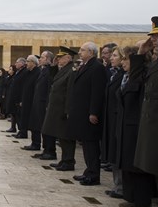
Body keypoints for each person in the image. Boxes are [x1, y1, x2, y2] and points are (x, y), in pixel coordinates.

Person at [115, 45, 154, 207]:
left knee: (137, 167)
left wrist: (139, 54)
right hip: (127, 125)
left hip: (136, 126)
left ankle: (142, 202)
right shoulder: (127, 77)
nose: (123, 62)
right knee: (127, 164)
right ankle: (130, 197)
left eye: (126, 59)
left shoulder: (141, 75)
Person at [134, 16, 158, 207]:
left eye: (157, 38)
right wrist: (141, 53)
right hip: (153, 125)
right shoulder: (155, 64)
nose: (153, 42)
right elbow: (136, 80)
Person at [69, 42, 107, 186]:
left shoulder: (97, 68)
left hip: (89, 113)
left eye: (82, 50)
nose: (80, 52)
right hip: (82, 112)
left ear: (91, 52)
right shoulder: (85, 66)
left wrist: (94, 112)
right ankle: (88, 171)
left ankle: (93, 175)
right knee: (86, 143)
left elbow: (97, 92)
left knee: (91, 144)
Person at [42, 46, 78, 171]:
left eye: (60, 57)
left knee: (66, 137)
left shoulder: (71, 70)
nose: (58, 59)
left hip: (63, 108)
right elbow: (53, 80)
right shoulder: (63, 69)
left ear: (68, 58)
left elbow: (70, 92)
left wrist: (67, 110)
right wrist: (53, 65)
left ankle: (69, 161)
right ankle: (64, 160)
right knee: (61, 136)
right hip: (57, 107)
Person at [102, 46, 124, 198]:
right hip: (111, 117)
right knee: (114, 151)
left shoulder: (123, 75)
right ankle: (117, 185)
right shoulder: (115, 74)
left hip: (119, 118)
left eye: (114, 55)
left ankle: (121, 187)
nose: (111, 58)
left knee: (119, 153)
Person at [29, 51, 54, 158]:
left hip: (44, 104)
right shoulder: (43, 71)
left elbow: (49, 89)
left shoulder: (49, 72)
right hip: (39, 103)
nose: (40, 59)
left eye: (43, 57)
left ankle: (50, 151)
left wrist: (48, 104)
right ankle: (45, 150)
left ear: (48, 59)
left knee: (47, 128)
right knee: (42, 127)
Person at [18, 55, 39, 143]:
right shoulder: (28, 72)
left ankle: (36, 142)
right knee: (27, 120)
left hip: (32, 101)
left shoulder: (37, 72)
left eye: (28, 61)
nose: (26, 63)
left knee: (34, 122)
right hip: (26, 100)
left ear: (33, 63)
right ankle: (33, 142)